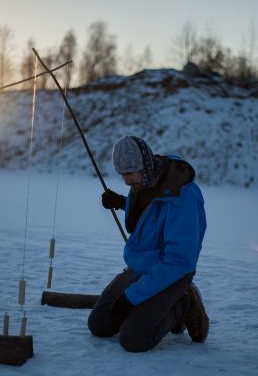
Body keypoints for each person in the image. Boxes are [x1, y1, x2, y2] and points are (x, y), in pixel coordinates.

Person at [88, 135, 209, 352]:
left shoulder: (183, 196)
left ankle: (184, 303)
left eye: (128, 174)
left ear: (144, 165)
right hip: (141, 267)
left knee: (133, 339)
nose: (126, 181)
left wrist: (132, 297)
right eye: (121, 174)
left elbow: (178, 261)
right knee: (100, 324)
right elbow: (151, 214)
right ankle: (149, 304)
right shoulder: (145, 181)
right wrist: (123, 203)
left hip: (173, 274)